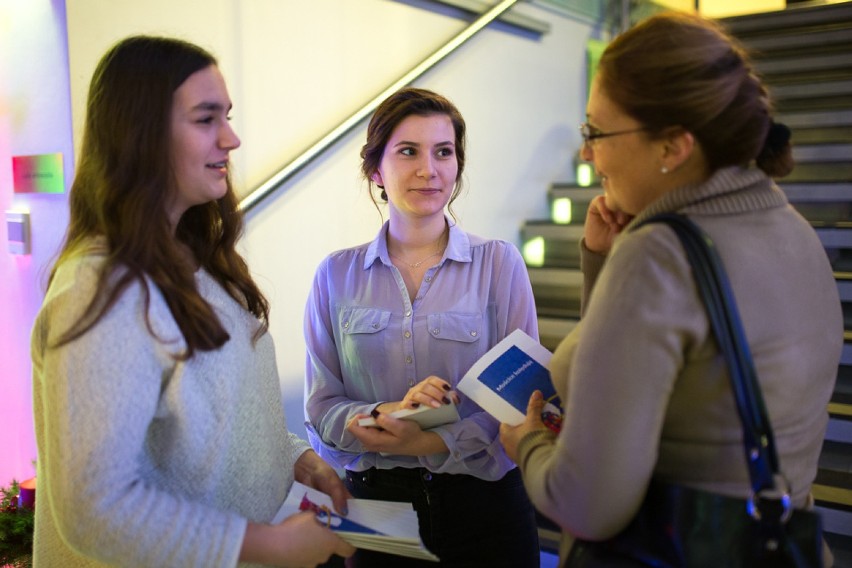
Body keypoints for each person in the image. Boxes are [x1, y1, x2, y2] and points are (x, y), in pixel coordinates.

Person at [499, 10, 842, 567]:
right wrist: (604, 267)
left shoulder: (659, 254)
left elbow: (587, 505)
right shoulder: (791, 227)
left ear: (672, 147)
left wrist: (529, 445)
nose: (587, 155)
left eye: (596, 133)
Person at [30, 35, 355, 568]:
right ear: (141, 134)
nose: (231, 138)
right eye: (206, 119)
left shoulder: (200, 260)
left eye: (226, 116)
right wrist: (272, 545)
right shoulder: (103, 288)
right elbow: (94, 508)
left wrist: (295, 458)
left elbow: (220, 420)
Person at [303, 87, 541, 567]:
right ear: (376, 170)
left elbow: (524, 401)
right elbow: (321, 411)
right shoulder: (336, 274)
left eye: (444, 152)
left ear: (457, 166)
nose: (428, 169)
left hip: (485, 506)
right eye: (407, 151)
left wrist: (431, 440)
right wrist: (386, 415)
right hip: (376, 509)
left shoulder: (498, 263)